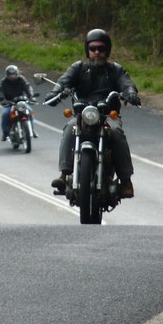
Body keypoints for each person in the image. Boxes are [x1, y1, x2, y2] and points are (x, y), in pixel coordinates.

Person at [45, 28, 141, 198]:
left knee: (116, 132)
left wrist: (130, 93)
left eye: (101, 48)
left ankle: (126, 181)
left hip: (107, 115)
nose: (97, 52)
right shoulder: (78, 68)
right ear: (87, 50)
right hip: (83, 114)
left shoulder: (115, 70)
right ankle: (64, 174)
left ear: (107, 50)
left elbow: (126, 83)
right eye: (93, 48)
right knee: (70, 128)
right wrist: (55, 93)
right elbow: (63, 81)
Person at [0, 64, 37, 141]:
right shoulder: (3, 82)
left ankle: (31, 129)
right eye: (10, 74)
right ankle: (5, 133)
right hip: (9, 103)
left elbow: (28, 87)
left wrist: (31, 96)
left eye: (13, 74)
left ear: (17, 73)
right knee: (5, 114)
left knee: (30, 112)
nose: (12, 76)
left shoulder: (22, 80)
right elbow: (0, 92)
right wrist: (2, 99)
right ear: (7, 75)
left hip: (21, 102)